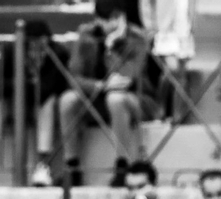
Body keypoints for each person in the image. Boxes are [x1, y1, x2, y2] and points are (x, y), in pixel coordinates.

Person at [57, 0, 154, 188]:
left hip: (136, 99)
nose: (112, 24)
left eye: (117, 18)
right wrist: (100, 85)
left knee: (115, 99)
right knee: (68, 100)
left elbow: (127, 77)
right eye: (107, 19)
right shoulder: (86, 36)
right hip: (98, 96)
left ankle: (122, 165)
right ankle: (72, 166)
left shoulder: (137, 37)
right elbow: (74, 77)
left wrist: (112, 49)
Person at [0, 19, 65, 186]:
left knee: (48, 102)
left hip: (41, 106)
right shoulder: (12, 50)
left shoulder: (58, 54)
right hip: (15, 103)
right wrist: (25, 84)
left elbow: (47, 90)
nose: (37, 50)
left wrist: (20, 85)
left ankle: (43, 166)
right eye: (33, 45)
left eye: (42, 45)